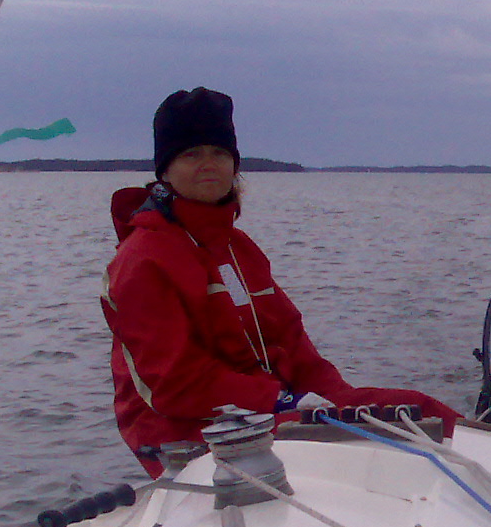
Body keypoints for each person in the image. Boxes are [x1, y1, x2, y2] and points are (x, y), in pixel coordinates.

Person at [101, 87, 458, 474]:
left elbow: (290, 339)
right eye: (191, 154)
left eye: (220, 153)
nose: (209, 164)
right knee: (381, 445)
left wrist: (337, 397)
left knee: (424, 414)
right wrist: (282, 401)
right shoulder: (143, 260)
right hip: (191, 434)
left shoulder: (237, 248)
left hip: (268, 411)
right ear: (165, 170)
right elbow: (175, 383)